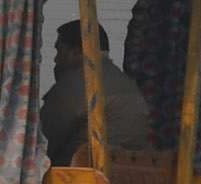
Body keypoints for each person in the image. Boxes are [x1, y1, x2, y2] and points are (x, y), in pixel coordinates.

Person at [39, 18, 156, 169]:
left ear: (76, 52)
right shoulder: (123, 81)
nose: (55, 59)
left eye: (59, 50)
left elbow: (45, 139)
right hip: (131, 171)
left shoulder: (77, 82)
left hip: (84, 174)